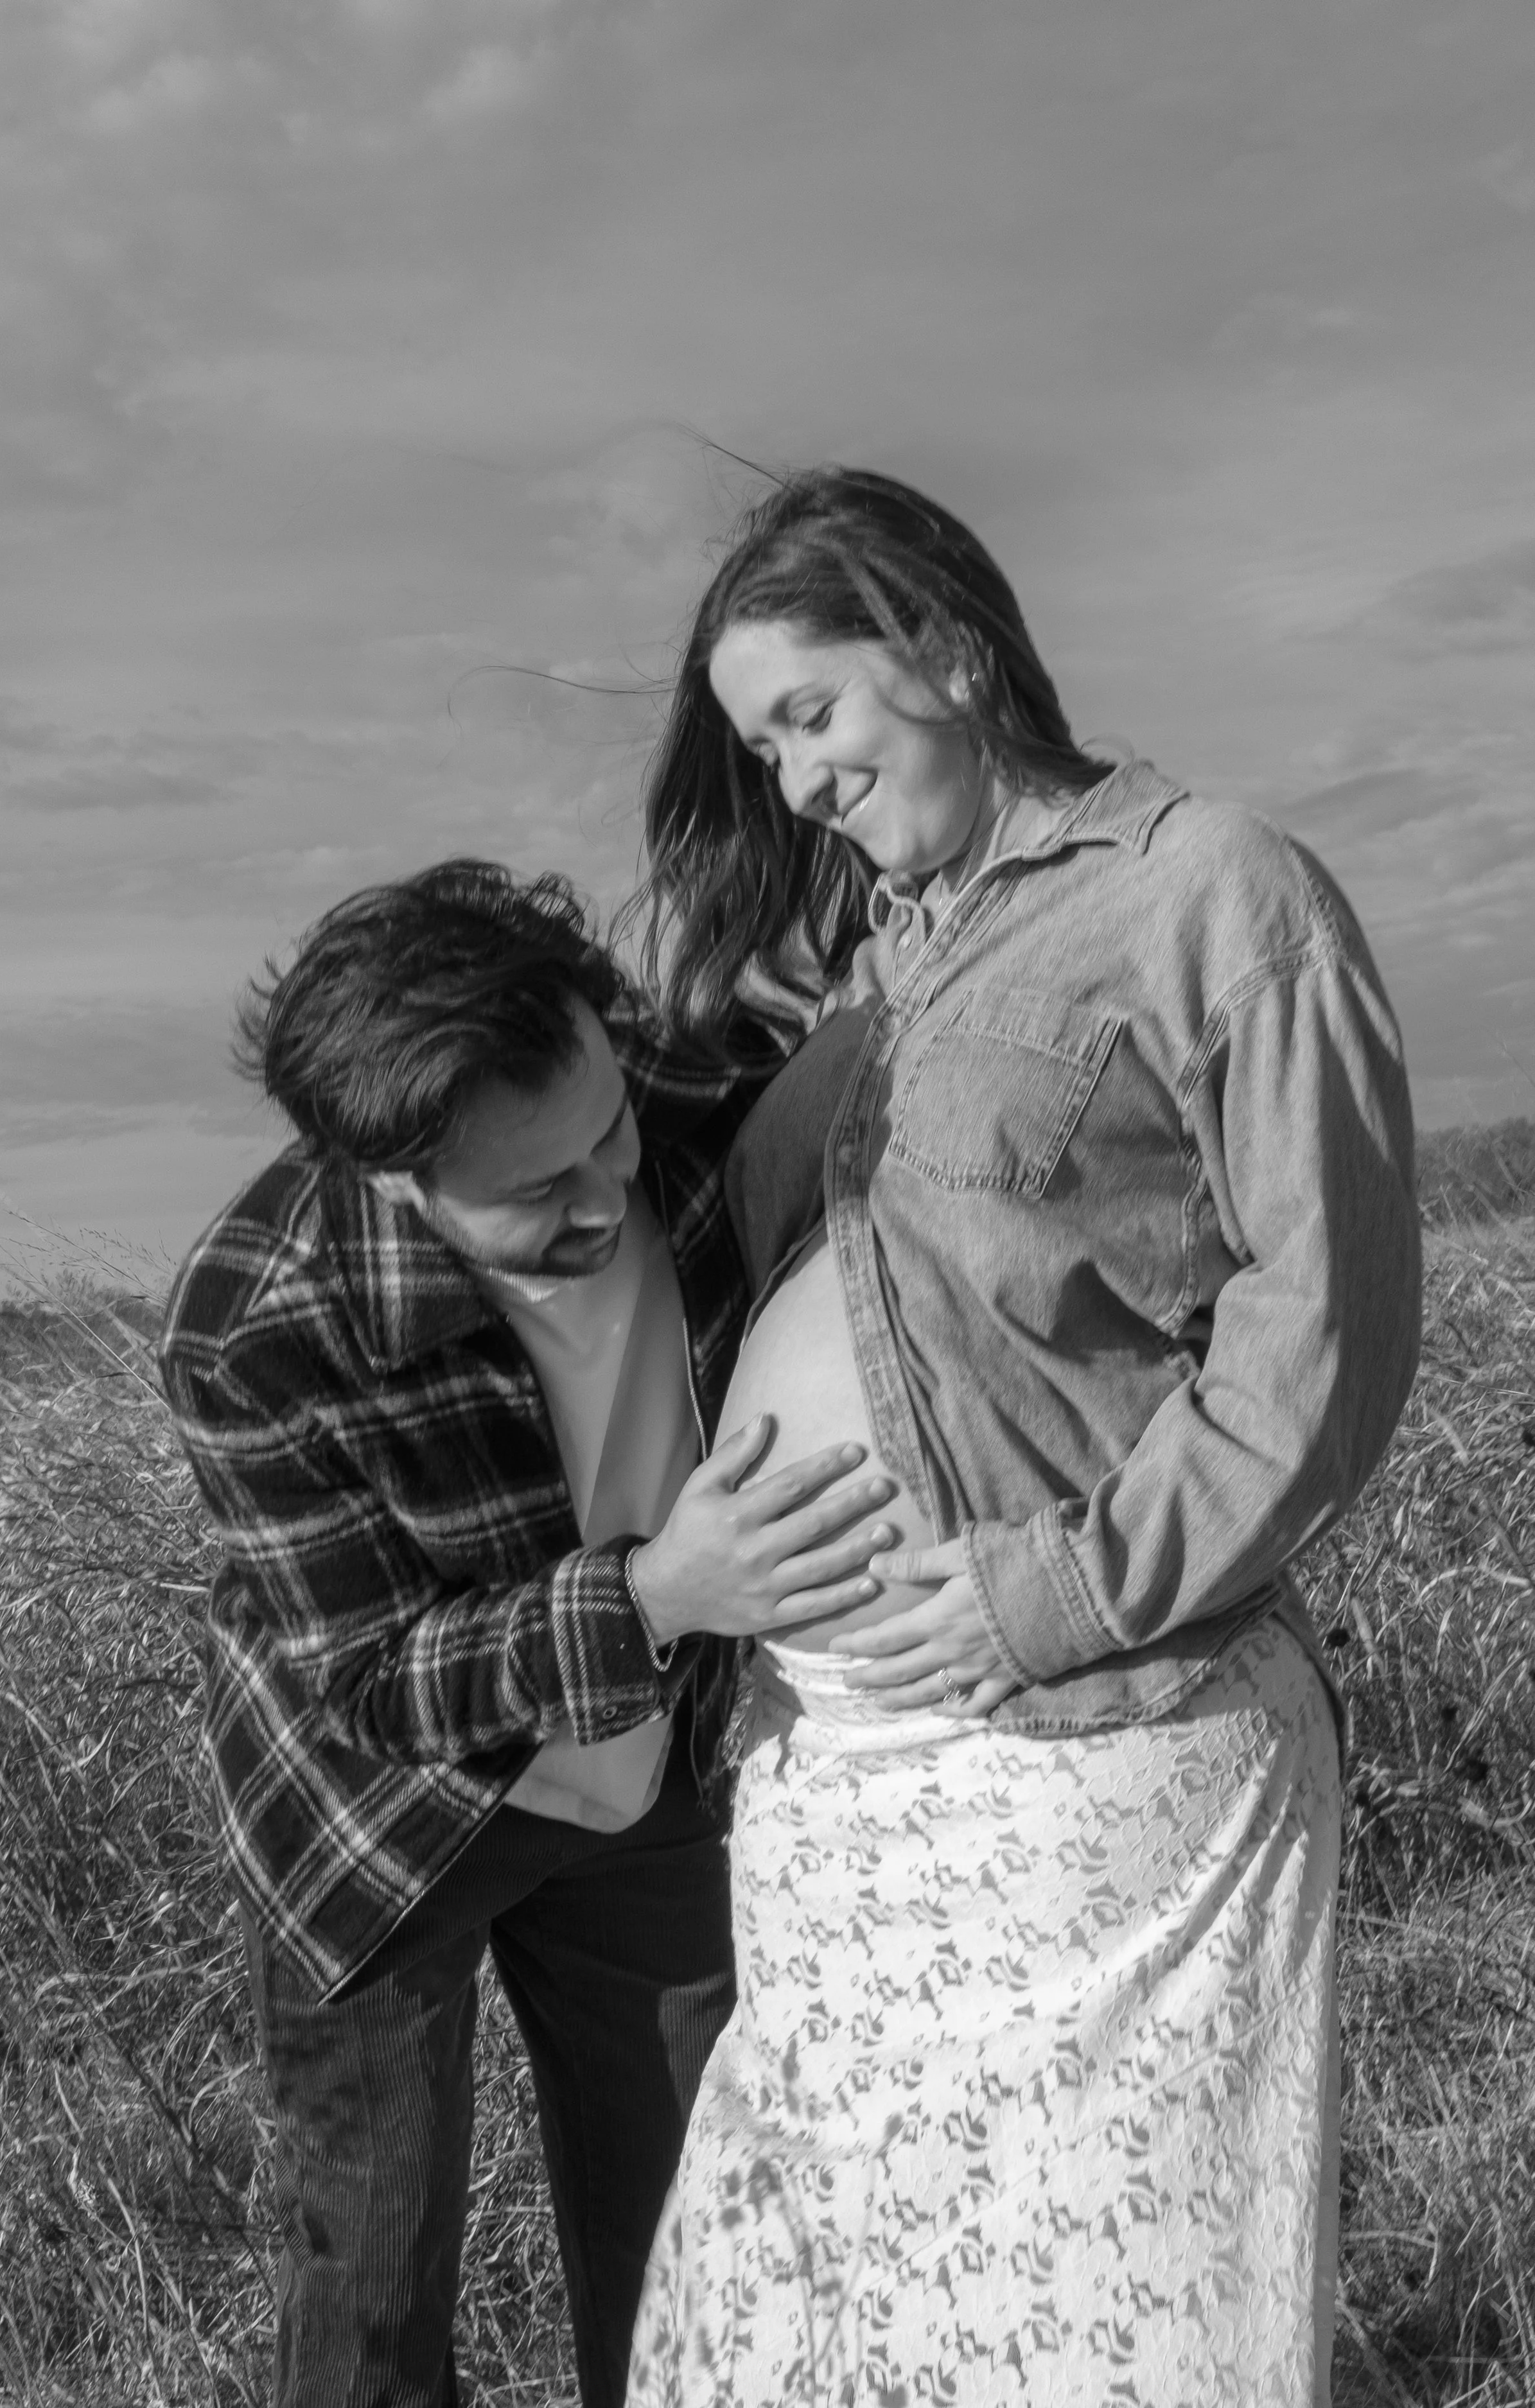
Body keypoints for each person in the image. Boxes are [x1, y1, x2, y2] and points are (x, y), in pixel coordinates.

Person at [621, 468, 1422, 2406]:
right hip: (842, 1774)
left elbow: (1321, 1343)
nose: (792, 779)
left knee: (1105, 2319)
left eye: (808, 715)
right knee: (812, 2300)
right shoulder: (878, 961)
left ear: (949, 647)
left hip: (1092, 1739)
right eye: (758, 746)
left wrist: (1042, 1592)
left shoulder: (1209, 888)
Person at [158, 860, 902, 2408]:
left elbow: (858, 1004)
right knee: (368, 2272)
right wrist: (654, 1595)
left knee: (696, 2230)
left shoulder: (670, 1083)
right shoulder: (251, 1329)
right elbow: (369, 1683)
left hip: (649, 1788)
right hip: (384, 1829)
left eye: (608, 1130)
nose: (605, 1193)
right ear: (387, 1180)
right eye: (535, 1190)